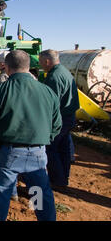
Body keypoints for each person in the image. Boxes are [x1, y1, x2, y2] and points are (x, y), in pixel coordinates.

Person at [0, 50, 62, 221]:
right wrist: (43, 141)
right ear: (29, 67)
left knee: (1, 192)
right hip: (37, 153)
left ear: (6, 67)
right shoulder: (47, 91)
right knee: (38, 192)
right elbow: (56, 124)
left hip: (6, 152)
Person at [39, 49, 80, 189]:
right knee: (63, 149)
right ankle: (64, 178)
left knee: (51, 149)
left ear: (47, 61)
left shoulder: (53, 77)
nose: (40, 65)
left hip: (60, 119)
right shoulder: (64, 71)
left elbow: (50, 103)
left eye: (40, 62)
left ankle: (56, 180)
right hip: (69, 116)